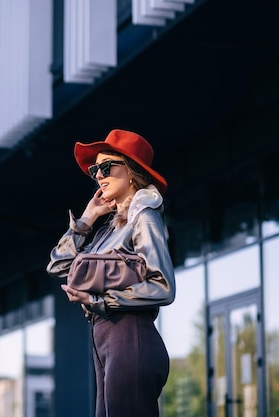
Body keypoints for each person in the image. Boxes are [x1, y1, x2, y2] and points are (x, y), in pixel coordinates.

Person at [46, 129, 175, 417]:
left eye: (106, 167)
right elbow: (58, 267)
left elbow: (163, 286)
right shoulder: (105, 233)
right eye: (95, 170)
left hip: (131, 338)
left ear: (131, 172)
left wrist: (100, 302)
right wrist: (87, 219)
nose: (99, 176)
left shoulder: (145, 217)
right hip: (105, 343)